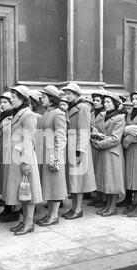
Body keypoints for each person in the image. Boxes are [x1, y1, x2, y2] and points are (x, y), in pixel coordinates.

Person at [4, 85, 43, 235]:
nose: (11, 99)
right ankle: (25, 221)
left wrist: (26, 162)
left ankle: (28, 223)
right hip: (17, 158)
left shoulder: (28, 115)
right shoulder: (18, 113)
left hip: (24, 158)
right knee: (23, 192)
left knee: (29, 191)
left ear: (22, 98)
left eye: (14, 97)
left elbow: (29, 140)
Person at [61, 82, 96, 220]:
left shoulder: (83, 108)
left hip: (78, 148)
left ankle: (78, 209)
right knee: (73, 180)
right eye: (66, 94)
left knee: (78, 180)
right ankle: (74, 207)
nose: (67, 96)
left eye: (69, 94)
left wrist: (79, 150)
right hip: (71, 146)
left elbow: (84, 130)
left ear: (76, 94)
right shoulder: (72, 108)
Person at [36, 85, 67, 227]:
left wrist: (55, 157)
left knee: (55, 185)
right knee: (48, 185)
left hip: (53, 156)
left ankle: (54, 216)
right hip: (44, 153)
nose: (41, 99)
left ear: (52, 99)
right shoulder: (46, 113)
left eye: (44, 97)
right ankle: (50, 214)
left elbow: (60, 138)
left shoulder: (58, 113)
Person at [90, 92, 126, 216]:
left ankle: (113, 207)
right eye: (104, 102)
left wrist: (99, 144)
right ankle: (108, 206)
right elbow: (103, 133)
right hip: (105, 151)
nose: (105, 104)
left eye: (108, 102)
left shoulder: (119, 117)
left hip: (113, 152)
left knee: (113, 180)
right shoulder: (104, 116)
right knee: (107, 180)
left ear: (115, 104)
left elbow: (116, 138)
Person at [0, 92, 22, 223]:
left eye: (4, 102)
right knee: (6, 182)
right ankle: (7, 208)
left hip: (11, 154)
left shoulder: (14, 117)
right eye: (0, 103)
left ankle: (15, 211)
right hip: (2, 153)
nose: (1, 105)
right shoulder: (1, 117)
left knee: (12, 182)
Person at [89, 90, 107, 208]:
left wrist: (98, 134)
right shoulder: (91, 113)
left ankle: (103, 198)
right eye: (94, 101)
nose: (95, 103)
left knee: (102, 172)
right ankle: (96, 196)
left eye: (98, 101)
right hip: (93, 144)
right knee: (95, 171)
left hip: (101, 144)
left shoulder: (105, 114)